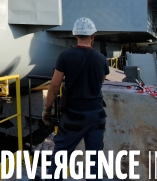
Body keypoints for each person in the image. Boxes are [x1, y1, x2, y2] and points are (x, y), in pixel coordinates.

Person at [42, 17, 109, 178]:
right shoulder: (101, 59)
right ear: (92, 36)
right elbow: (100, 82)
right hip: (96, 115)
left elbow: (53, 86)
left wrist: (47, 109)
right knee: (96, 161)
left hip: (73, 116)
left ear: (75, 36)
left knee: (59, 160)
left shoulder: (65, 55)